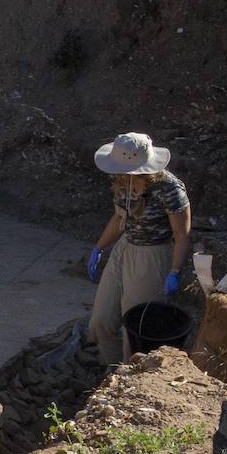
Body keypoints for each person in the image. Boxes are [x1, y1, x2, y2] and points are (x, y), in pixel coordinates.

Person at [86, 132, 192, 365]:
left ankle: (126, 381)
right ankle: (111, 369)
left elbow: (181, 233)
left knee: (133, 329)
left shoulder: (170, 189)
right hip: (125, 249)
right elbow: (119, 218)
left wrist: (174, 271)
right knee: (101, 321)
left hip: (152, 255)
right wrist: (99, 248)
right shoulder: (123, 182)